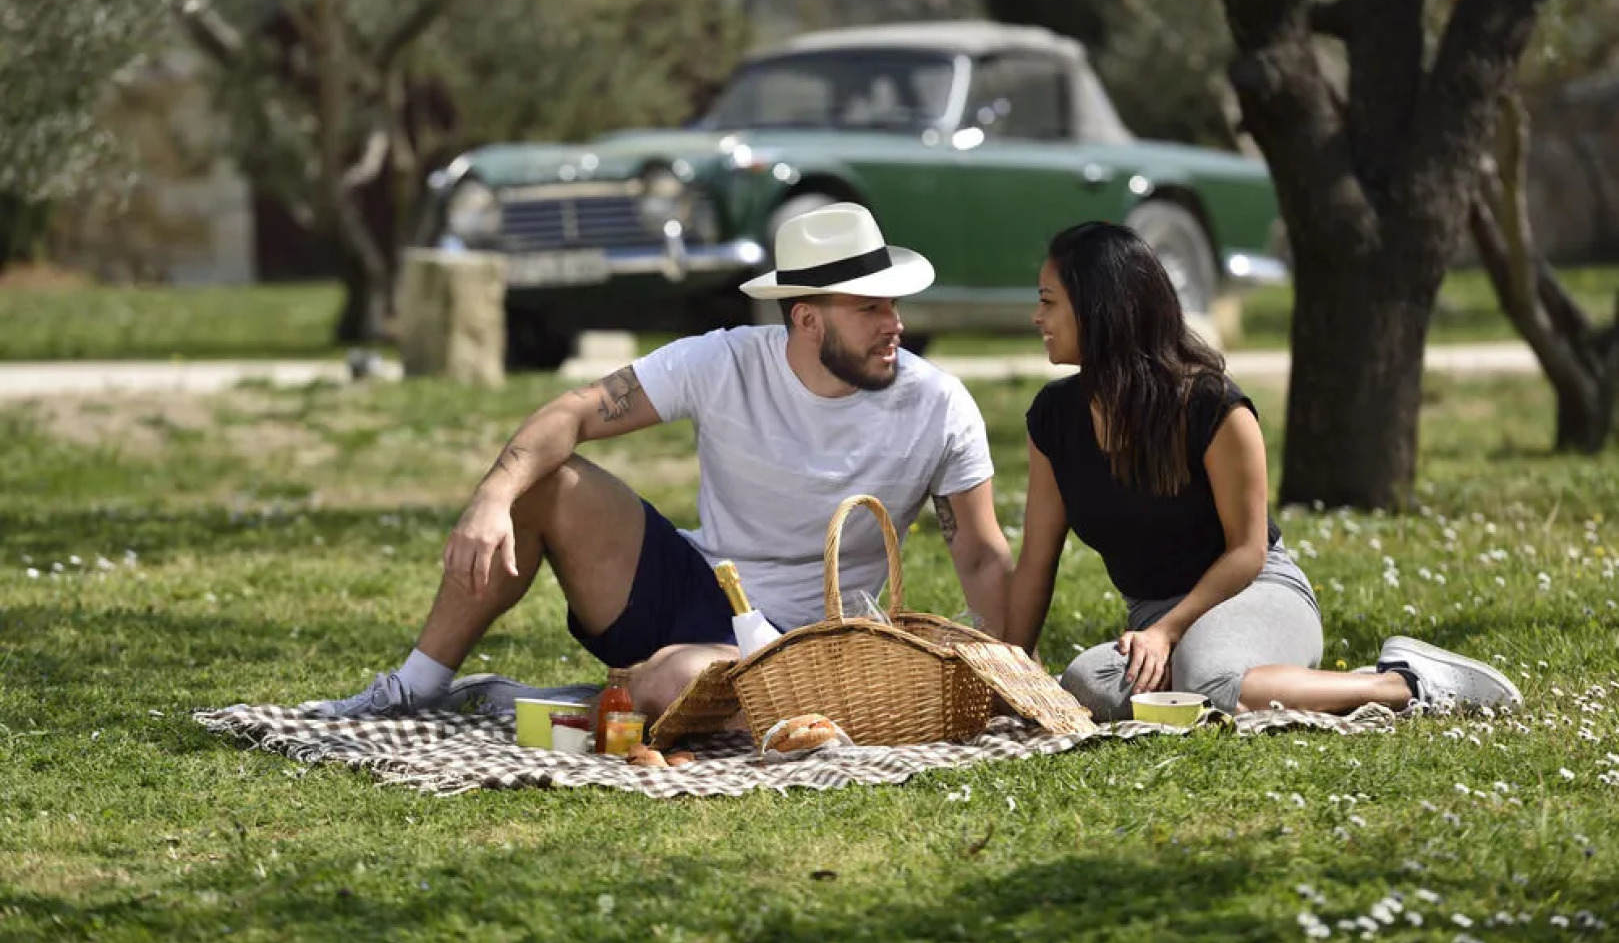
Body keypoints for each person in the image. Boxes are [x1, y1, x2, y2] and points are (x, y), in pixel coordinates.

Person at [305, 203, 1013, 721]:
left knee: (688, 680)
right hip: (698, 592)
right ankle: (417, 686)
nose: (894, 325)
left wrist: (1013, 671)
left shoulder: (938, 405)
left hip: (815, 645)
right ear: (806, 319)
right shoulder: (723, 360)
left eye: (893, 304)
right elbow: (572, 413)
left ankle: (576, 702)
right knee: (544, 482)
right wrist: (491, 500)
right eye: (869, 309)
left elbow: (982, 556)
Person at [1001, 221, 1522, 720]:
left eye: (1048, 301)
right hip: (1157, 621)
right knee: (1086, 683)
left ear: (1099, 308)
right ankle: (1246, 682)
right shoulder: (1053, 417)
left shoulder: (1211, 406)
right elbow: (1035, 565)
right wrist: (1011, 676)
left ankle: (1404, 684)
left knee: (1207, 681)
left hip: (1254, 594)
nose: (1036, 317)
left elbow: (1247, 551)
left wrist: (1168, 632)